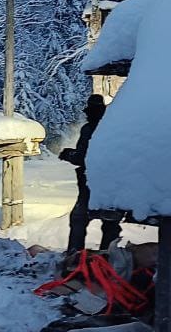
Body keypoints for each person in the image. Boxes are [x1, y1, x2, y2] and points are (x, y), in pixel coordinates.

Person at [60, 94, 122, 253]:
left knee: (79, 219)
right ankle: (107, 256)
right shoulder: (115, 127)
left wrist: (68, 154)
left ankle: (75, 256)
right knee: (111, 222)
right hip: (113, 183)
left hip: (90, 182)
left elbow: (82, 157)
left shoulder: (89, 129)